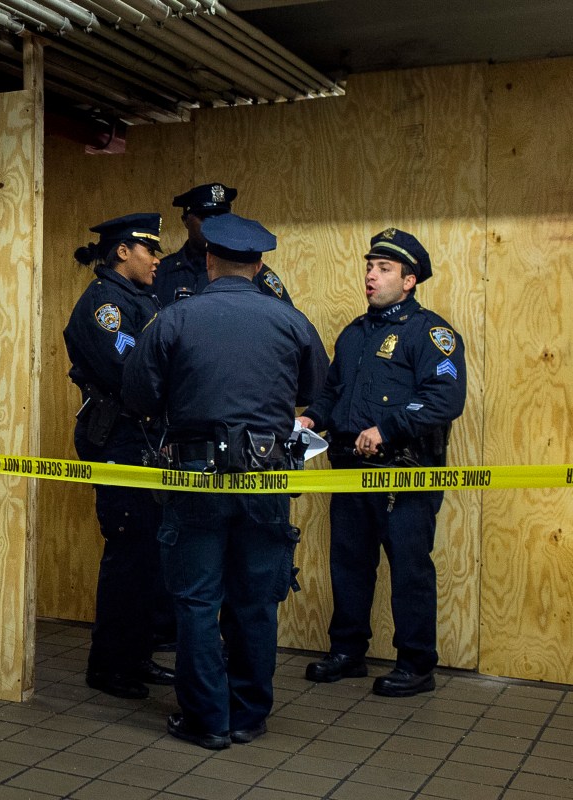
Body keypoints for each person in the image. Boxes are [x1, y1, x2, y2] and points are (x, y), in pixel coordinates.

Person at [123, 213, 328, 749]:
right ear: (259, 265)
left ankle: (207, 719)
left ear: (209, 260)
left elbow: (140, 395)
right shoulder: (292, 321)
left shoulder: (174, 319)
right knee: (256, 599)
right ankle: (248, 715)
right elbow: (313, 389)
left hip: (195, 478)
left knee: (196, 599)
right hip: (266, 480)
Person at [299, 228, 466, 698]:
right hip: (352, 468)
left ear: (409, 280)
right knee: (349, 562)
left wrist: (388, 428)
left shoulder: (430, 333)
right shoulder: (354, 334)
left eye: (384, 268)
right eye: (369, 266)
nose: (371, 276)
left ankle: (416, 663)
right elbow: (333, 392)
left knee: (411, 569)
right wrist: (314, 415)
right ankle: (347, 652)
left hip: (405, 472)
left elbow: (445, 398)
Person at [62, 213, 177, 699]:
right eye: (149, 250)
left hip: (145, 441)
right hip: (121, 440)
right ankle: (109, 667)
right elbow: (136, 372)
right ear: (123, 252)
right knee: (128, 555)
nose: (156, 260)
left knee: (147, 557)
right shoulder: (104, 305)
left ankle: (134, 655)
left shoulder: (139, 298)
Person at [153, 182, 292, 307]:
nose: (215, 225)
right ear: (185, 221)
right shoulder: (160, 273)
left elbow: (284, 321)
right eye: (205, 217)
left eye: (221, 217)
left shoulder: (252, 270)